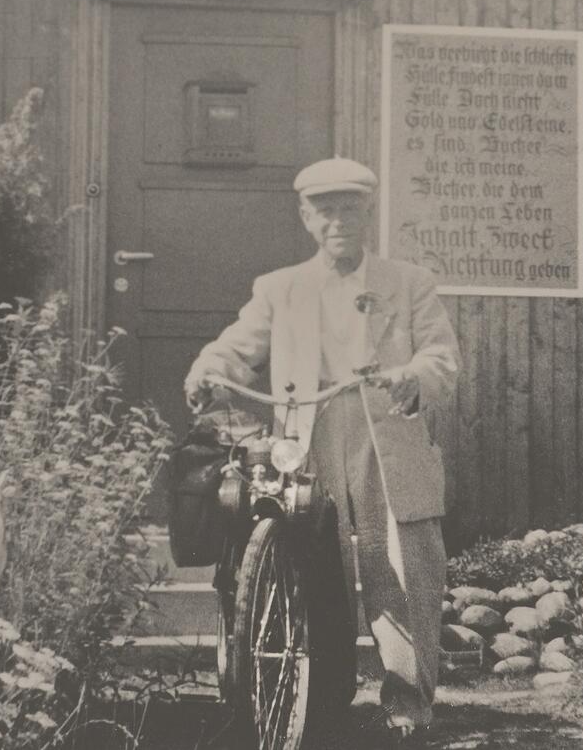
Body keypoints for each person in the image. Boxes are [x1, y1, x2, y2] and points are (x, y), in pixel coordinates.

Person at [185, 157, 460, 747]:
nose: (339, 221)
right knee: (315, 567)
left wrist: (410, 376)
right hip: (306, 444)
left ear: (368, 215)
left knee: (404, 567)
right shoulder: (281, 288)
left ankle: (408, 702)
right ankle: (324, 696)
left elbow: (442, 361)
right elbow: (238, 348)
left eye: (351, 210)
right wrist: (209, 370)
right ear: (307, 217)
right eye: (326, 210)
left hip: (386, 437)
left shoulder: (408, 283)